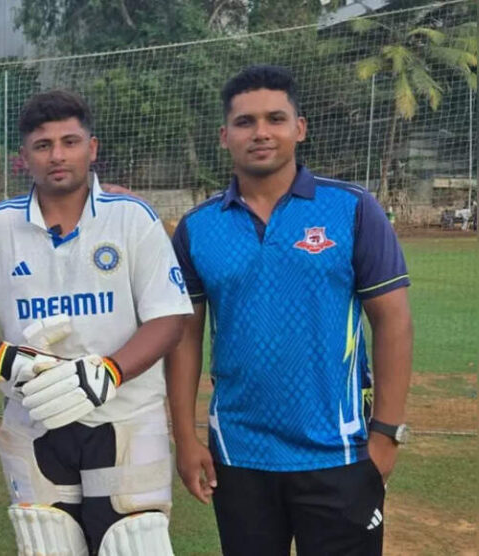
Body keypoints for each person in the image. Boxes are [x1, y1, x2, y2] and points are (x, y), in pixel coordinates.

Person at [166, 65, 413, 555]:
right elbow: (185, 336)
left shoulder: (352, 208)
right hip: (239, 453)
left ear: (299, 128)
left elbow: (393, 321)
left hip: (340, 452)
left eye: (275, 119)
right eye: (245, 122)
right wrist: (185, 438)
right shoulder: (197, 228)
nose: (261, 132)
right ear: (224, 136)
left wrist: (386, 434)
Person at [0, 89, 192, 555]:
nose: (57, 156)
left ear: (92, 147)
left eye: (70, 142)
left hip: (126, 416)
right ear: (25, 156)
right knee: (48, 544)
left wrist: (110, 371)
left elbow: (168, 318)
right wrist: (6, 358)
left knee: (132, 543)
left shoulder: (132, 219)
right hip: (34, 419)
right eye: (43, 145)